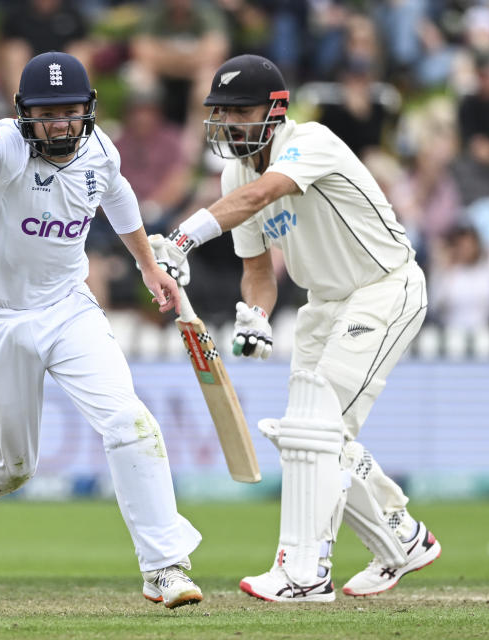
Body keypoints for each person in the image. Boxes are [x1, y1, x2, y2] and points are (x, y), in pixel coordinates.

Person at [0, 51, 204, 609]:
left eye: (71, 112)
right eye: (48, 113)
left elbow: (117, 192)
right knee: (14, 467)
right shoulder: (3, 146)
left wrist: (149, 265)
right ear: (24, 113)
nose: (60, 124)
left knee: (130, 421)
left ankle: (164, 567)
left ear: (88, 111)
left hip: (68, 309)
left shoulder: (100, 149)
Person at [147, 54, 442, 602]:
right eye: (221, 111)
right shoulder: (234, 172)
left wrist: (181, 238)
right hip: (323, 305)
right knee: (314, 435)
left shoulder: (310, 142)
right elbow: (257, 272)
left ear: (274, 110)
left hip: (383, 288)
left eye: (240, 110)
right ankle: (402, 537)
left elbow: (262, 196)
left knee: (315, 428)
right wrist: (255, 316)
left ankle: (306, 573)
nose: (228, 122)